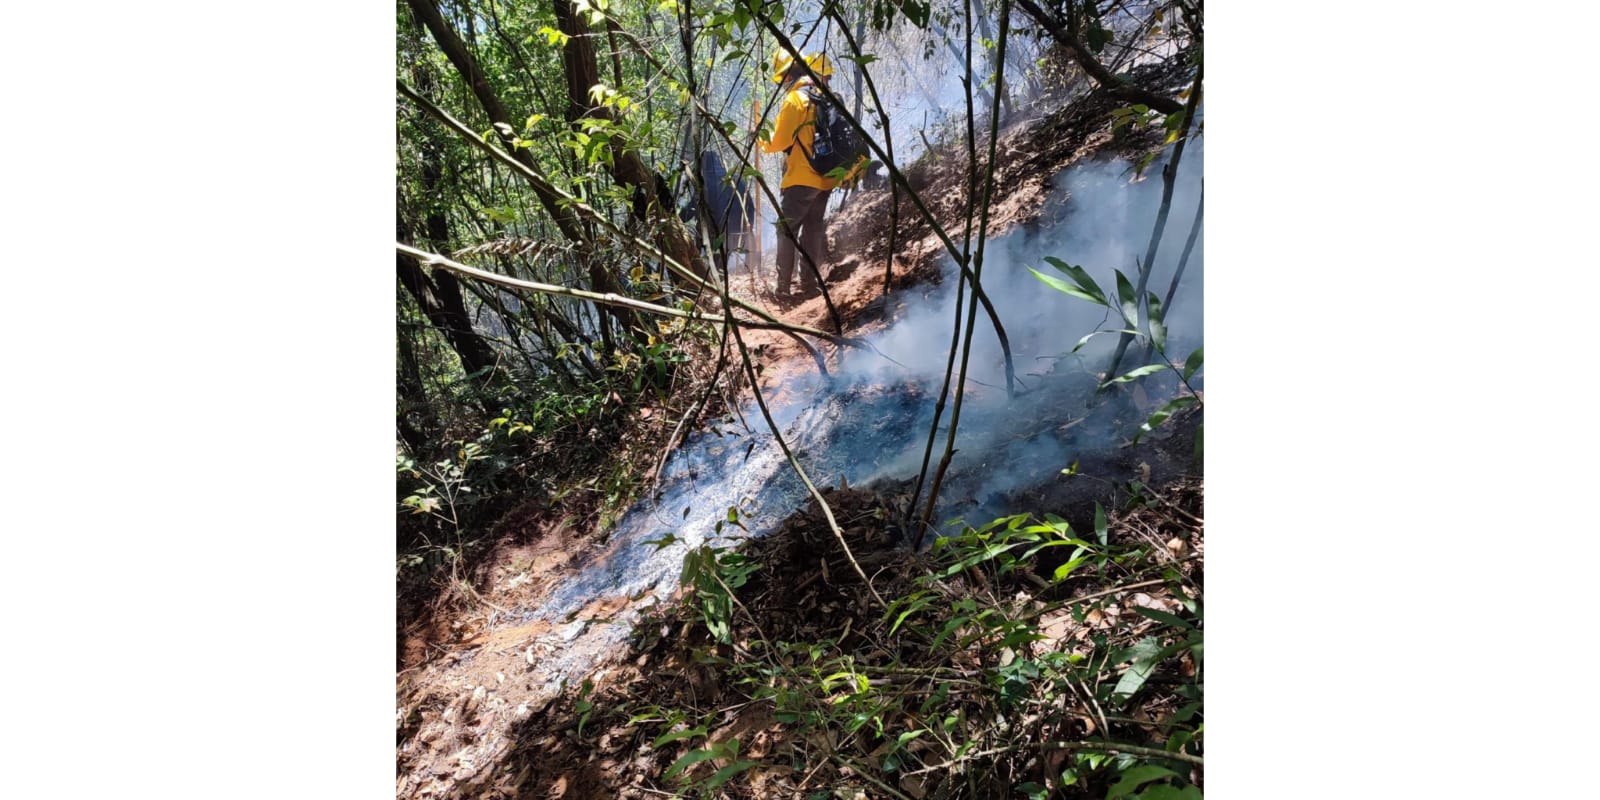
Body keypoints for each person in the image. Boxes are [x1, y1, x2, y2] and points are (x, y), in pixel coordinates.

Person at [760, 52, 863, 302]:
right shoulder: (825, 97)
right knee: (813, 228)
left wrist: (761, 138)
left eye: (781, 79)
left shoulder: (796, 99)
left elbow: (779, 142)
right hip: (827, 178)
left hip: (801, 179)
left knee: (786, 231)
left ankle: (783, 288)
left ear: (787, 76)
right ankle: (809, 284)